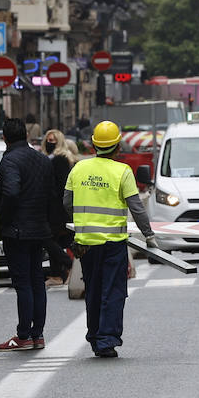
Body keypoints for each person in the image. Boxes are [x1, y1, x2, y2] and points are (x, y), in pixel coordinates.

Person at [64, 120, 155, 358]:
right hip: (113, 243)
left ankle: (94, 336)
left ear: (94, 144)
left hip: (85, 244)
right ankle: (106, 340)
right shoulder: (122, 172)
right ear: (117, 147)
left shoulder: (78, 169)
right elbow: (137, 208)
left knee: (92, 289)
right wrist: (149, 236)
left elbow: (66, 203)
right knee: (113, 291)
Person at [0, 118, 56, 351]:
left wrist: (3, 221)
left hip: (17, 232)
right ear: (26, 136)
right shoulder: (42, 160)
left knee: (23, 284)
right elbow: (51, 195)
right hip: (39, 229)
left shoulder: (9, 161)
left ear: (5, 138)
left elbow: (10, 193)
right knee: (37, 281)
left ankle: (23, 335)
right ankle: (37, 334)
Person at [43, 129, 78, 284]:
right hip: (55, 208)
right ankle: (58, 274)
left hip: (58, 209)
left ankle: (67, 266)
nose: (50, 143)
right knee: (56, 240)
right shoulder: (51, 158)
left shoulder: (60, 160)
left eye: (53, 141)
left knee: (50, 240)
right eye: (48, 140)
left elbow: (61, 187)